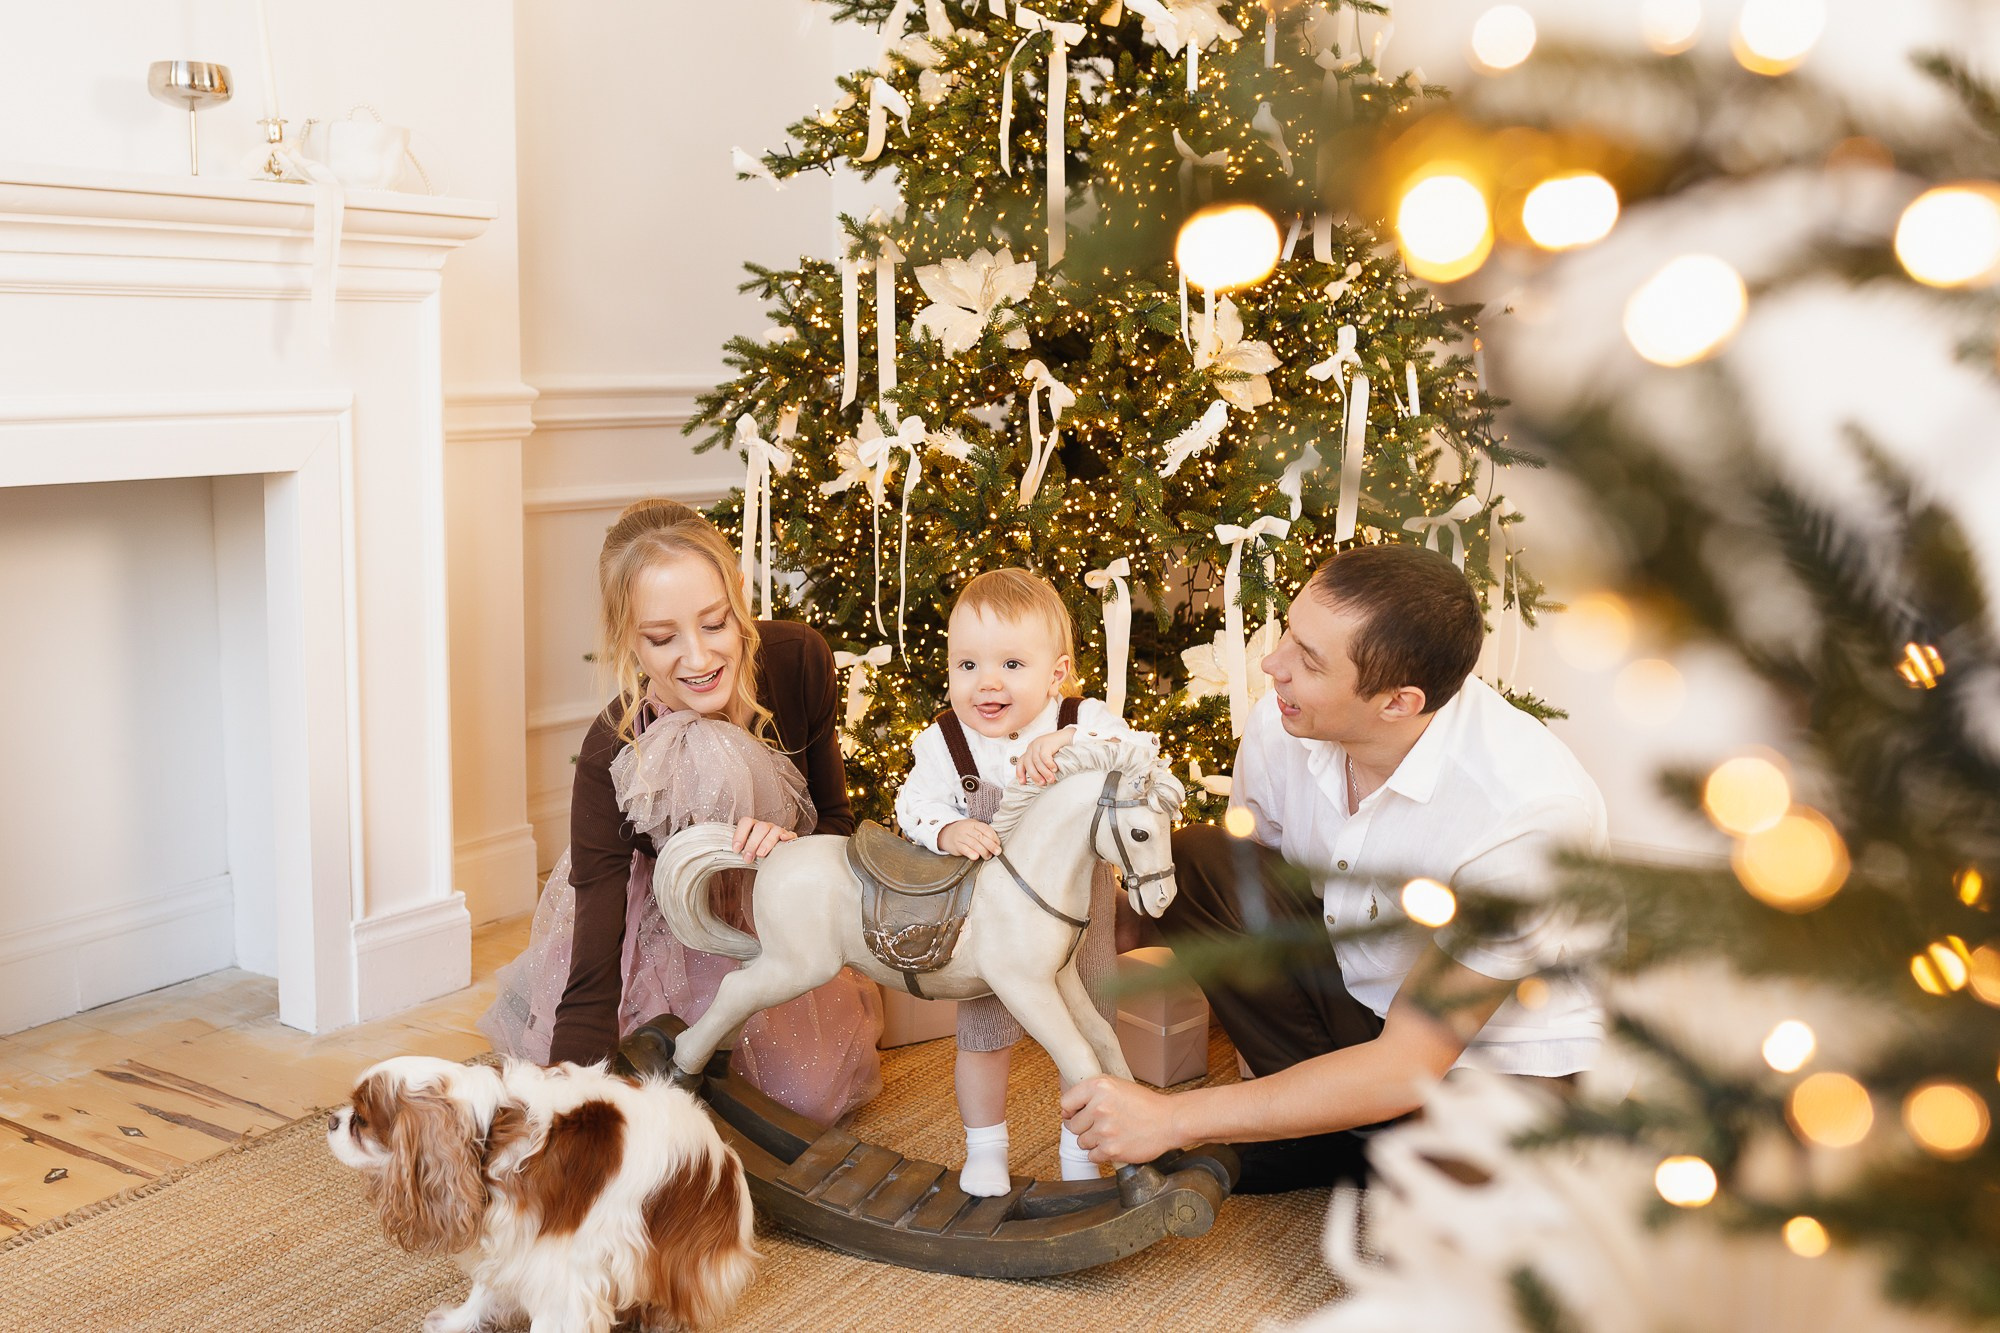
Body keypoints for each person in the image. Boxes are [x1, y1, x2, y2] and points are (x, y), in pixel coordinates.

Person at [1062, 542, 1608, 1190]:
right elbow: (1251, 906)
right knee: (1204, 862)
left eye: (1309, 661)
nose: (1272, 664)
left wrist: (1176, 1116)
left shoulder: (1526, 814)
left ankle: (1343, 1133)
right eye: (1289, 633)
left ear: (1399, 703)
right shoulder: (1284, 723)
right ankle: (1331, 1122)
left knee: (1444, 1228)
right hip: (1354, 1002)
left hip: (1484, 1059)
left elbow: (1409, 1061)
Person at [480, 499, 882, 1124]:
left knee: (804, 1100)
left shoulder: (799, 660)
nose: (697, 659)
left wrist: (793, 847)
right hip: (656, 933)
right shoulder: (613, 749)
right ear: (625, 639)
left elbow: (835, 824)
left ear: (739, 596)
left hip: (771, 920)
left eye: (716, 623)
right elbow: (595, 955)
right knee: (657, 1091)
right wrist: (569, 1109)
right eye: (663, 639)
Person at [895, 568, 1137, 1196]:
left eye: (1010, 663)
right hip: (992, 923)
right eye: (967, 665)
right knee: (984, 1034)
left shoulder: (1083, 719)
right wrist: (945, 830)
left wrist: (1069, 741)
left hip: (1079, 915)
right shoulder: (945, 743)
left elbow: (1131, 753)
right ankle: (985, 1149)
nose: (987, 683)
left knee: (1083, 1028)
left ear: (1056, 673)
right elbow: (912, 802)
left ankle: (1082, 1150)